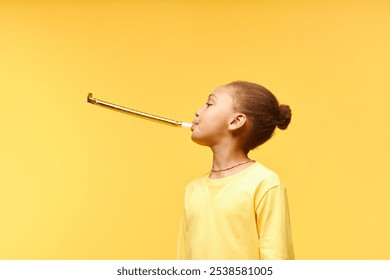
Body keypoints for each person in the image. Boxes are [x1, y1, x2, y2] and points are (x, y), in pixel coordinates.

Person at [177, 81, 294, 260]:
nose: (198, 111)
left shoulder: (264, 183)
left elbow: (277, 259)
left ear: (236, 121)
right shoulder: (192, 190)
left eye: (209, 104)